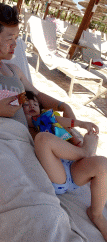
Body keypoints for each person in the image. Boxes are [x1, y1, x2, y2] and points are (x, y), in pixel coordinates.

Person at [0, 2, 106, 240]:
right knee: (21, 209)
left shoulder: (15, 71)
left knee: (47, 210)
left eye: (17, 37)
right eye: (10, 38)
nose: (16, 44)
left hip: (22, 143)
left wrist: (62, 105)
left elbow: (40, 96)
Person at [23, 91, 107, 241]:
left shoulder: (47, 117)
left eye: (35, 104)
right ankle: (86, 152)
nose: (31, 106)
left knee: (103, 164)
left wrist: (81, 124)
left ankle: (96, 214)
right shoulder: (27, 122)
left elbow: (62, 120)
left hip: (74, 169)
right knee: (43, 139)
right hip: (57, 174)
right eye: (26, 105)